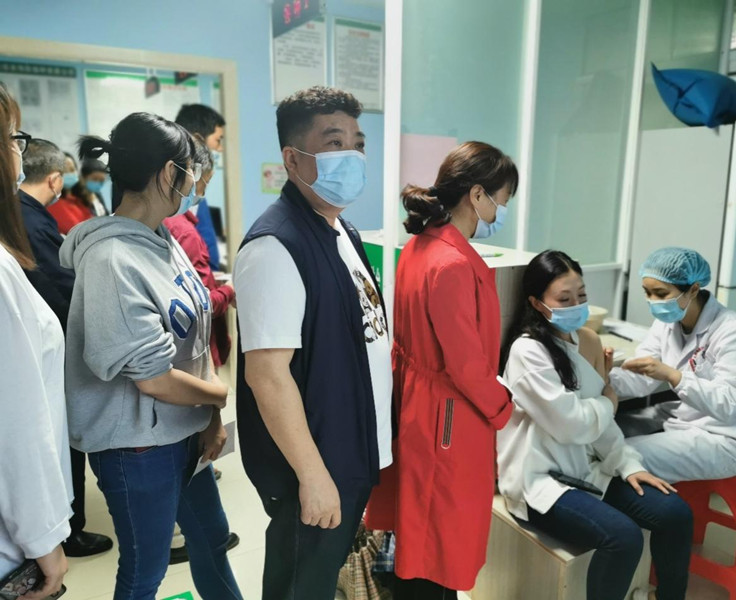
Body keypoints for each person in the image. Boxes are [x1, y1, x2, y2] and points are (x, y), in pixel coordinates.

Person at [60, 112, 242, 600]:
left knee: (212, 540)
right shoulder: (111, 260)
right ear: (168, 173)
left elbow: (195, 336)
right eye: (190, 169)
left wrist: (209, 420)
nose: (195, 181)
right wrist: (220, 397)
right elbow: (155, 378)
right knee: (146, 570)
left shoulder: (163, 238)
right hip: (137, 448)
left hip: (185, 429)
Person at [234, 86, 391, 600]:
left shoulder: (341, 230)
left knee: (319, 582)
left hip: (349, 451)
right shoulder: (275, 246)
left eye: (358, 143)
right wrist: (313, 475)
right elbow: (267, 375)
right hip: (316, 463)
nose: (353, 155)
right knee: (299, 587)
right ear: (292, 159)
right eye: (334, 142)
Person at [366, 141, 517, 598]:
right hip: (448, 416)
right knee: (438, 541)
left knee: (421, 529)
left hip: (420, 405)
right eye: (502, 200)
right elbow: (466, 366)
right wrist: (503, 406)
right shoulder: (451, 263)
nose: (502, 212)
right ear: (477, 195)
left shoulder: (420, 246)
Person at [497, 250, 693, 600]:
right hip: (541, 482)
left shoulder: (585, 340)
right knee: (623, 538)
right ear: (537, 303)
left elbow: (599, 425)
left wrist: (627, 465)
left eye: (582, 295)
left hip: (585, 471)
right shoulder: (527, 352)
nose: (576, 305)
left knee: (676, 513)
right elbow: (573, 425)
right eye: (564, 299)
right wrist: (608, 401)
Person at [18, 138, 114, 558]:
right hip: (51, 343)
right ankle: (70, 531)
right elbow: (61, 287)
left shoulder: (24, 214)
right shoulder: (32, 221)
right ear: (56, 179)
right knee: (62, 440)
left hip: (37, 344)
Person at [609, 247, 736, 483]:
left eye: (661, 294)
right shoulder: (667, 323)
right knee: (599, 436)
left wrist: (674, 376)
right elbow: (642, 378)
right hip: (681, 419)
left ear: (693, 289)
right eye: (647, 292)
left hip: (725, 438)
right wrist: (602, 375)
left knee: (616, 456)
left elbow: (731, 406)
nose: (652, 301)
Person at [0, 81, 71, 600]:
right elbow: (16, 424)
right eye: (11, 138)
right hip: (12, 546)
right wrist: (45, 540)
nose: (16, 152)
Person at [164, 136, 235, 369]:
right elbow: (202, 305)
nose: (203, 191)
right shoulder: (185, 233)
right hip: (195, 353)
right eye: (206, 181)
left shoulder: (166, 223)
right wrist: (230, 290)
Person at [175, 103, 226, 270]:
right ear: (198, 139)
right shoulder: (175, 200)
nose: (220, 149)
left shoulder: (196, 194)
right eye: (218, 140)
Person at [48, 151, 93, 235]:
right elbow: (76, 230)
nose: (69, 174)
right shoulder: (54, 203)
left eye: (72, 170)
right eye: (64, 171)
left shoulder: (77, 199)